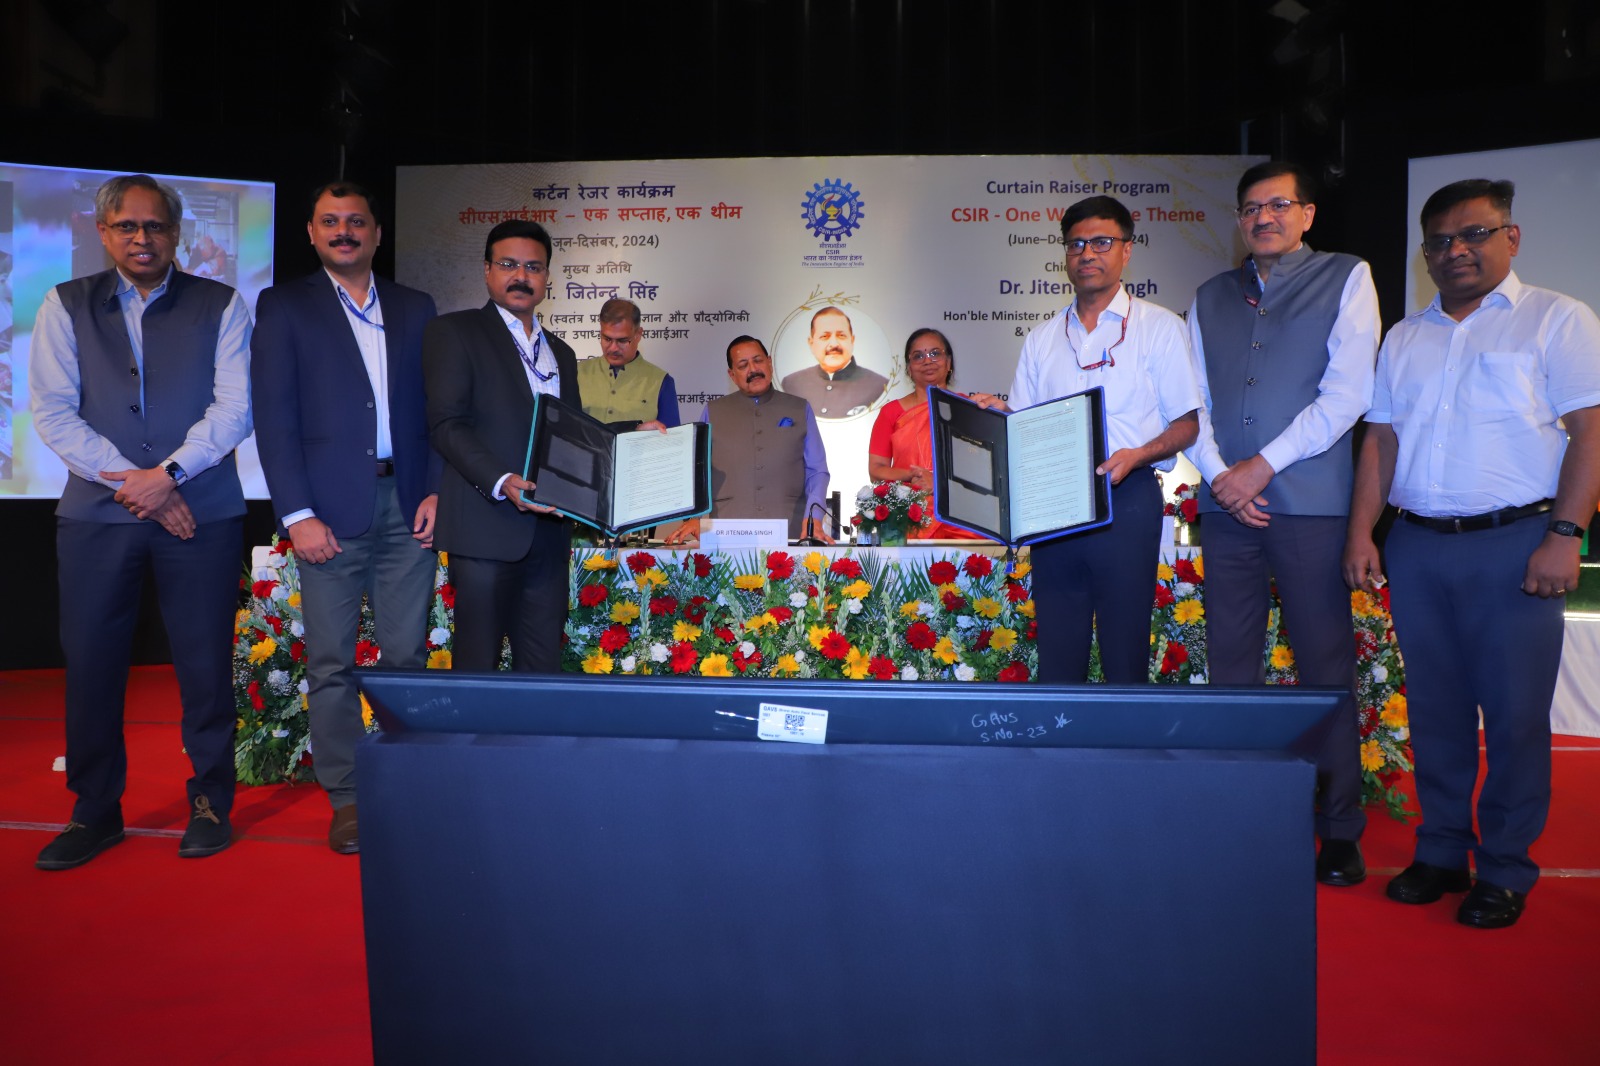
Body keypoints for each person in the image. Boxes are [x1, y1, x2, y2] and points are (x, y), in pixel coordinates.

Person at [1343, 179, 1600, 929]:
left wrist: (1565, 535)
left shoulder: (1557, 318)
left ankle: (1506, 867)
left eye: (1474, 234)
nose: (1456, 250)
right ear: (1424, 253)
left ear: (1510, 238)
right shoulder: (1405, 337)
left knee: (1515, 717)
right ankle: (1442, 851)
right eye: (1441, 240)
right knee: (1434, 711)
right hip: (1418, 546)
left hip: (1517, 545)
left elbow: (1590, 434)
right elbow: (1380, 441)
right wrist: (1361, 532)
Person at [30, 174, 252, 869]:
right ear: (103, 232)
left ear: (177, 232)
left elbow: (235, 407)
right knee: (92, 665)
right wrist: (140, 485)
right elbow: (52, 411)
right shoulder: (64, 303)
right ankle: (94, 811)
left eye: (155, 225)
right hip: (97, 516)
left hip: (203, 511)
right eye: (126, 226)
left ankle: (211, 801)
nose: (142, 238)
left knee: (205, 664)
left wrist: (170, 477)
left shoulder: (222, 303)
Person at [1185, 161, 1381, 888]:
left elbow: (1348, 393)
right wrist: (1222, 478)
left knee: (1325, 665)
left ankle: (1339, 828)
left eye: (1278, 205)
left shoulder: (1346, 277)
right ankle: (1239, 814)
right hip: (1226, 509)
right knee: (1231, 665)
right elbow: (1192, 402)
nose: (1263, 218)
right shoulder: (1209, 295)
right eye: (1250, 208)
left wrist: (1259, 468)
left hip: (1310, 506)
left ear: (1307, 214)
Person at [251, 180, 440, 854]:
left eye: (356, 221)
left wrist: (435, 490)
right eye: (330, 222)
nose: (344, 232)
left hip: (408, 505)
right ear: (310, 233)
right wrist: (296, 513)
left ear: (377, 233)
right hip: (326, 513)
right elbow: (274, 417)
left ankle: (404, 783)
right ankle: (349, 796)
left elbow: (438, 410)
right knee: (331, 662)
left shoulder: (416, 306)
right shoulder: (284, 306)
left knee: (406, 657)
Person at [970, 195, 1200, 683]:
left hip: (1127, 498)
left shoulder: (1160, 327)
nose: (1087, 253)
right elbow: (1025, 426)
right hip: (1054, 507)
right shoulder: (1042, 337)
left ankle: (1127, 736)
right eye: (1076, 244)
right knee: (1058, 653)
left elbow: (1187, 425)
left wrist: (1138, 455)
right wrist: (998, 417)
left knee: (1125, 651)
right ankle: (1060, 735)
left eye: (1101, 242)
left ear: (1127, 250)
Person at [423, 219, 579, 672]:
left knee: (542, 674)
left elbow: (574, 435)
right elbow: (446, 424)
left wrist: (634, 432)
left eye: (534, 267)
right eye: (509, 264)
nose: (521, 276)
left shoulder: (563, 353)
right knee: (477, 668)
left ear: (547, 277)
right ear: (487, 270)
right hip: (485, 528)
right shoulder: (455, 332)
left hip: (549, 534)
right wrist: (502, 479)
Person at [665, 335, 830, 544]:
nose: (753, 369)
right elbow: (697, 471)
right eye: (743, 365)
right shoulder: (713, 411)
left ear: (769, 362)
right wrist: (694, 517)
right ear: (732, 375)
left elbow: (817, 471)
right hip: (727, 532)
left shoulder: (799, 408)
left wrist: (814, 516)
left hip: (789, 529)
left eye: (758, 360)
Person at [867, 328, 982, 541]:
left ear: (948, 363)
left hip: (963, 519)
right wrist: (914, 476)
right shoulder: (891, 412)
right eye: (918, 356)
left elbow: (982, 470)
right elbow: (876, 470)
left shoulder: (969, 408)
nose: (927, 361)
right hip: (910, 518)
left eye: (935, 353)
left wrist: (939, 482)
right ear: (909, 368)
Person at [576, 297, 680, 430]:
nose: (613, 348)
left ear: (638, 334)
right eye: (607, 339)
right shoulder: (576, 373)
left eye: (622, 341)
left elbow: (670, 438)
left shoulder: (660, 382)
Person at [779, 306, 887, 418]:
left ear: (852, 340)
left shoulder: (880, 386)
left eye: (841, 335)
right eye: (824, 336)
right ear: (811, 343)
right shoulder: (791, 384)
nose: (834, 344)